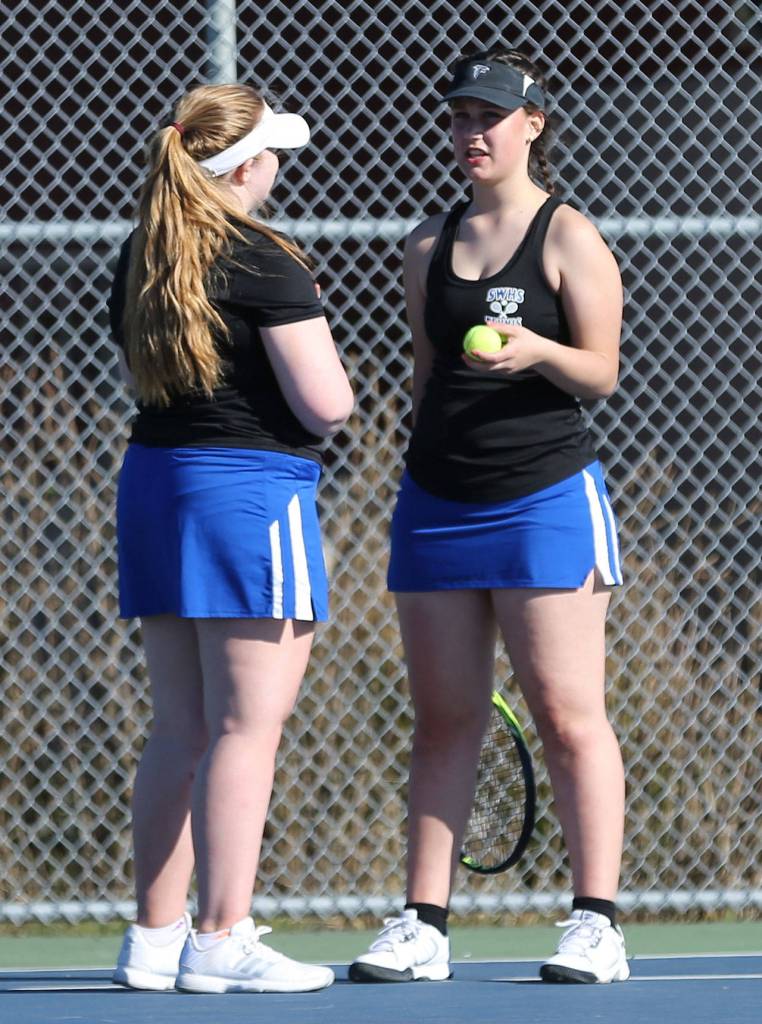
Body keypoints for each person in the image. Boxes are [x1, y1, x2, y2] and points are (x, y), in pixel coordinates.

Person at [349, 47, 629, 986]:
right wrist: (417, 474)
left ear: (532, 126)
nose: (473, 133)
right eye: (462, 117)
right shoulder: (427, 244)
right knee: (444, 718)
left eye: (491, 118)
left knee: (566, 713)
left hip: (545, 496)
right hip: (436, 504)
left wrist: (536, 348)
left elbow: (602, 371)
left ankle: (597, 922)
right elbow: (428, 379)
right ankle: (422, 922)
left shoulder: (568, 235)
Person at [107, 83, 354, 994]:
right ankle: (220, 938)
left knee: (179, 725)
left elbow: (148, 376)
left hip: (155, 488)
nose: (280, 166)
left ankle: (154, 939)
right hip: (249, 493)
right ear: (245, 167)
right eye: (273, 152)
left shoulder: (143, 251)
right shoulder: (266, 258)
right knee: (248, 727)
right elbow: (326, 407)